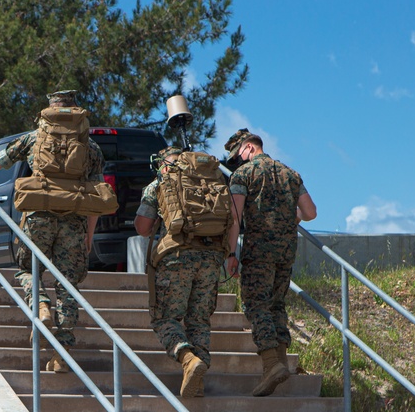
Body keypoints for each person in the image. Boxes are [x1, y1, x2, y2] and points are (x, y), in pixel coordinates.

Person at [0, 90, 104, 373]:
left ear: (49, 110)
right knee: (68, 286)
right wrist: (89, 235)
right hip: (74, 221)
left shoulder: (34, 138)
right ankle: (61, 354)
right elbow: (96, 198)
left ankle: (39, 304)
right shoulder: (91, 147)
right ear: (76, 111)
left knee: (26, 269)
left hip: (38, 216)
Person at [135, 147, 239, 398]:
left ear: (166, 163)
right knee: (199, 319)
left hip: (177, 257)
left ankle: (187, 358)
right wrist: (230, 255)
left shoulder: (161, 182)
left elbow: (142, 227)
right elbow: (233, 220)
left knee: (164, 318)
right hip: (212, 257)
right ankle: (197, 380)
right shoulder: (214, 183)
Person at [223, 128, 318, 396]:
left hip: (259, 250)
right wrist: (291, 216)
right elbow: (310, 212)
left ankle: (270, 365)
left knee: (255, 304)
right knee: (277, 304)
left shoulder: (244, 174)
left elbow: (234, 217)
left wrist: (232, 254)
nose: (237, 161)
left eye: (238, 155)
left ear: (249, 148)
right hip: (286, 250)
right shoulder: (291, 173)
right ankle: (282, 362)